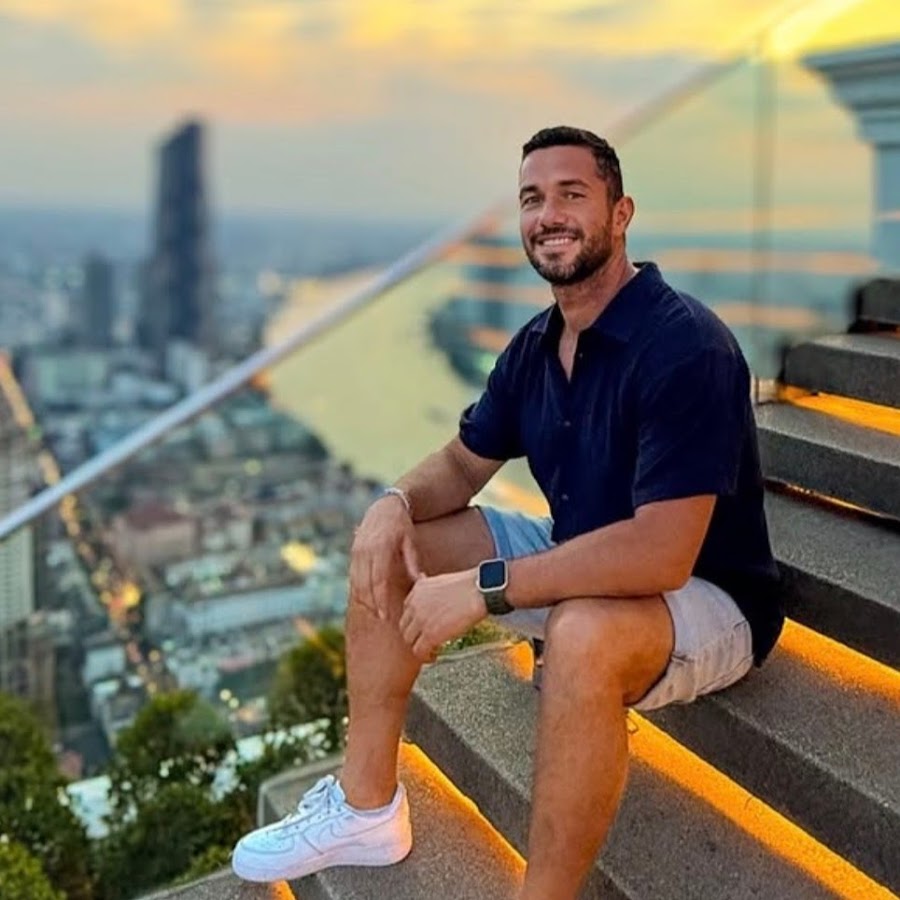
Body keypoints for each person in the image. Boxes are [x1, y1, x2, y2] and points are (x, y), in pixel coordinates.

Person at [231, 125, 783, 899]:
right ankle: (366, 808)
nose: (548, 215)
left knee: (581, 634)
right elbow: (463, 465)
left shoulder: (686, 347)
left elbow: (661, 554)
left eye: (571, 194)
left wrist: (486, 588)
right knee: (396, 547)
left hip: (705, 593)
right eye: (532, 198)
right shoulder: (537, 346)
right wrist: (390, 505)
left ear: (621, 213)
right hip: (582, 552)